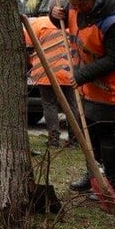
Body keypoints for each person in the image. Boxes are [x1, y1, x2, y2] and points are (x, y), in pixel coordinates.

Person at [51, 0, 115, 205]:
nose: (75, 8)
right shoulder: (76, 10)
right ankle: (94, 175)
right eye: (72, 4)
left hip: (111, 88)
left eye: (80, 4)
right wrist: (54, 14)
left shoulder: (113, 22)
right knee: (90, 136)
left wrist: (83, 74)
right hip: (88, 87)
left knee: (106, 136)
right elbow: (62, 21)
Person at [27, 15, 79, 148]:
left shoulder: (38, 24)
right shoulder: (71, 23)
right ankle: (74, 139)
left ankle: (54, 139)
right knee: (72, 105)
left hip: (46, 72)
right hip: (68, 71)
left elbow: (28, 46)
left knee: (49, 104)